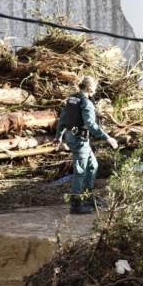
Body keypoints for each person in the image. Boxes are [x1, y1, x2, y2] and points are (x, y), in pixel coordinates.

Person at [53, 75, 119, 214]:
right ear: (89, 89)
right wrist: (107, 138)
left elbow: (62, 119)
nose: (95, 92)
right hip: (79, 140)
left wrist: (59, 136)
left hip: (73, 136)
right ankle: (76, 204)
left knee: (92, 165)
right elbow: (90, 124)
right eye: (94, 89)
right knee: (80, 171)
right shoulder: (86, 103)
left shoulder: (73, 98)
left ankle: (88, 197)